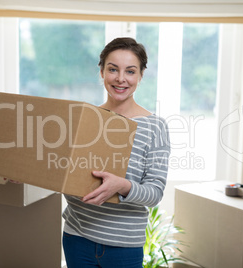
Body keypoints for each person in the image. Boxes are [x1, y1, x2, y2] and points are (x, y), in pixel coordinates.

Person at [62, 37, 171, 268]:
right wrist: (26, 173)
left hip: (124, 246)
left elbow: (154, 193)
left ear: (141, 76)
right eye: (113, 69)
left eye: (130, 71)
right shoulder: (82, 119)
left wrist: (121, 186)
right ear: (101, 72)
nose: (121, 78)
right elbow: (62, 174)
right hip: (77, 237)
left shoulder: (155, 127)